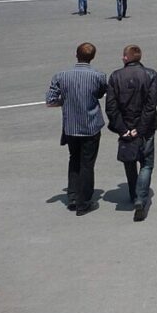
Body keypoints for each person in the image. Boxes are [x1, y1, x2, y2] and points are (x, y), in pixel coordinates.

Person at [46, 42, 108, 216]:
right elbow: (101, 93)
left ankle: (72, 196)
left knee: (74, 159)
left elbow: (50, 100)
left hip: (71, 127)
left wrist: (64, 102)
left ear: (76, 55)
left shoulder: (61, 75)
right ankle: (83, 201)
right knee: (87, 164)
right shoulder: (98, 75)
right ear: (92, 57)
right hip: (91, 126)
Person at [106, 44, 157, 222]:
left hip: (125, 126)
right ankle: (140, 198)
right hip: (146, 128)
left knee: (130, 161)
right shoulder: (151, 74)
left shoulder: (115, 76)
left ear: (126, 58)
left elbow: (111, 107)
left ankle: (132, 193)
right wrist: (141, 128)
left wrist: (123, 128)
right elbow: (151, 105)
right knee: (146, 163)